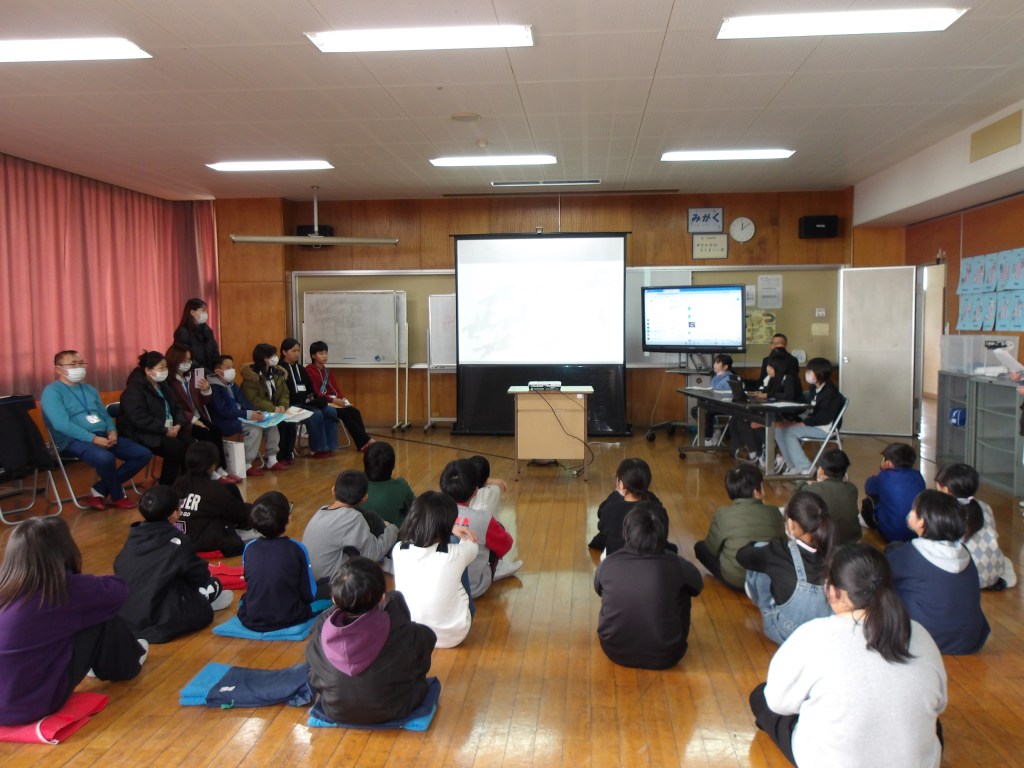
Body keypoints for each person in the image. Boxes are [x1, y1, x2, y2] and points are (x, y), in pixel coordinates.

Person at [750, 544, 947, 768]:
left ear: (834, 591)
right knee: (929, 721)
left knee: (760, 696)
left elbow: (778, 703)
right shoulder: (918, 633)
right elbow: (939, 704)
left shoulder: (814, 634)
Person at [0, 517, 146, 726]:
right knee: (102, 615)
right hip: (30, 705)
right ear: (64, 549)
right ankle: (126, 665)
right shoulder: (62, 589)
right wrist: (80, 580)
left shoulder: (6, 589)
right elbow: (120, 591)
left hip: (9, 698)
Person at [305, 557, 437, 726]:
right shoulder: (405, 633)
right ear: (382, 598)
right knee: (396, 600)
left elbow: (313, 676)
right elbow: (425, 651)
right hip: (396, 708)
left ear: (334, 600)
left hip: (336, 711)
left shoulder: (320, 632)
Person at [113, 485, 233, 643]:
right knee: (214, 584)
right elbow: (200, 576)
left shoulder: (134, 536)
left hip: (128, 617)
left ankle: (202, 598)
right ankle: (204, 599)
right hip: (161, 619)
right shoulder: (177, 541)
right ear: (174, 513)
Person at [594, 503, 704, 669]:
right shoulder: (677, 564)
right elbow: (697, 586)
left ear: (626, 533)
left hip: (614, 650)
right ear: (664, 534)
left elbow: (598, 589)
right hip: (667, 656)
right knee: (683, 589)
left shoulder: (608, 563)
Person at [41, 349, 151, 510]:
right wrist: (92, 439)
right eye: (73, 364)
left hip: (102, 435)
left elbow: (104, 415)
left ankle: (99, 490)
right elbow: (61, 424)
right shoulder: (52, 392)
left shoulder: (89, 389)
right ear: (58, 369)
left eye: (81, 363)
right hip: (72, 439)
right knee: (105, 458)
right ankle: (117, 496)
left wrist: (112, 431)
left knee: (142, 454)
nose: (78, 367)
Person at [886, 489, 990, 655]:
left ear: (921, 522)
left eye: (913, 511)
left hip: (925, 640)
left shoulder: (909, 554)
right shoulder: (964, 553)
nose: (910, 513)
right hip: (970, 640)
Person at [737, 492, 837, 644]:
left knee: (761, 551)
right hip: (821, 635)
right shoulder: (837, 554)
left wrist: (752, 545)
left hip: (786, 632)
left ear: (791, 524)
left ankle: (758, 597)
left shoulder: (778, 550)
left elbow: (742, 556)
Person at [391, 491, 479, 649]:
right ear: (447, 524)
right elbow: (472, 544)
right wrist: (453, 529)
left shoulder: (398, 549)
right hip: (453, 636)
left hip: (412, 633)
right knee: (456, 548)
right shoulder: (455, 554)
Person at [302, 470, 399, 592]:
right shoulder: (352, 518)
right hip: (331, 582)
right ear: (364, 498)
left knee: (367, 521)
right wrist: (393, 529)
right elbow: (372, 555)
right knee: (372, 524)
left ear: (333, 490)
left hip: (311, 577)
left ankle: (387, 560)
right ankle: (395, 558)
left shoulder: (322, 511)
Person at [693, 464, 785, 591]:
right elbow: (782, 544)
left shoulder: (723, 514)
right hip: (767, 579)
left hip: (736, 581)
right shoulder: (774, 512)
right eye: (762, 486)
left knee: (700, 547)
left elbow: (711, 549)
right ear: (756, 491)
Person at [237, 491, 317, 632]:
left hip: (253, 617)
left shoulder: (249, 548)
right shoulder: (297, 548)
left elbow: (252, 583)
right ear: (288, 519)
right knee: (327, 588)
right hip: (291, 616)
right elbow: (309, 594)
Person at [439, 459, 519, 598]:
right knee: (494, 532)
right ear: (476, 491)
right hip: (475, 587)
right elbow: (506, 545)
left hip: (441, 587)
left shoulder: (432, 513)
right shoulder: (484, 519)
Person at [117, 350, 194, 485]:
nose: (165, 371)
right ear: (148, 370)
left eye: (166, 367)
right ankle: (165, 487)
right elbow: (139, 419)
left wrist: (178, 425)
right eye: (161, 368)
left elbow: (177, 407)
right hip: (142, 433)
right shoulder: (134, 390)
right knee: (175, 448)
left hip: (166, 429)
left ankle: (186, 483)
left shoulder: (163, 386)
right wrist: (165, 430)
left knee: (189, 442)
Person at [935, 462, 1016, 590]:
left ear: (945, 490)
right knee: (1005, 561)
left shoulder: (942, 511)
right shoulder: (984, 507)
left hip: (960, 575)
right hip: (989, 573)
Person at [164, 342, 236, 483]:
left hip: (198, 415)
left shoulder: (193, 376)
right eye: (184, 360)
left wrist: (206, 390)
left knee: (215, 431)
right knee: (205, 434)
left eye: (189, 360)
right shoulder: (169, 381)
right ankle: (209, 471)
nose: (187, 363)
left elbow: (203, 401)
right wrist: (192, 419)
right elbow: (174, 407)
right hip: (183, 420)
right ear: (175, 359)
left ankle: (220, 468)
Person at [172, 442, 254, 556]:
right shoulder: (213, 489)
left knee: (230, 488)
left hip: (180, 540)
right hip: (204, 544)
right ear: (213, 466)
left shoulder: (177, 486)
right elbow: (240, 513)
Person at [206, 354, 280, 478]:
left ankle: (272, 459)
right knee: (254, 428)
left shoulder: (231, 384)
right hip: (224, 422)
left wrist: (256, 412)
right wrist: (249, 414)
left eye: (232, 367)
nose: (232, 370)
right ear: (217, 371)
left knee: (270, 422)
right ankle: (247, 464)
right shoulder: (213, 388)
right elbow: (224, 412)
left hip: (240, 416)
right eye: (228, 367)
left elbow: (244, 402)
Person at [773, 357, 845, 476]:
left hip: (824, 429)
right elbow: (808, 408)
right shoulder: (814, 388)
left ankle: (806, 467)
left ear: (821, 373)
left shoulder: (830, 393)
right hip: (813, 424)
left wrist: (797, 424)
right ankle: (793, 466)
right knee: (778, 430)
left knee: (789, 432)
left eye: (810, 371)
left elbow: (823, 419)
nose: (806, 374)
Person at [588, 457, 672, 557]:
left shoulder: (611, 507)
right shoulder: (656, 505)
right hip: (652, 558)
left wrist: (616, 495)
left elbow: (602, 524)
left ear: (621, 484)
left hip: (618, 560)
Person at [731, 348, 804, 462]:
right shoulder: (773, 379)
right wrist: (757, 393)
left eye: (770, 366)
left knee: (753, 421)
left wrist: (767, 395)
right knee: (739, 418)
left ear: (778, 367)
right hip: (772, 410)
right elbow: (767, 391)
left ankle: (767, 450)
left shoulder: (789, 378)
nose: (767, 369)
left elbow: (789, 396)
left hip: (786, 412)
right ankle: (755, 450)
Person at [305, 340, 375, 452]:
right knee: (344, 414)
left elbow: (336, 388)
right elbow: (315, 392)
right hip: (322, 402)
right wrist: (332, 400)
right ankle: (366, 440)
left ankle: (362, 443)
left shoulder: (327, 371)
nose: (324, 356)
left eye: (326, 353)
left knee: (355, 412)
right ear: (313, 355)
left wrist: (343, 398)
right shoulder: (309, 370)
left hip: (334, 401)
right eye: (321, 353)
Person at [277, 337, 340, 461]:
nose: (297, 354)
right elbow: (282, 393)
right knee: (316, 414)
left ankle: (329, 446)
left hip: (306, 402)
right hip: (291, 405)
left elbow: (310, 388)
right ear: (284, 352)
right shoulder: (279, 370)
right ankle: (317, 449)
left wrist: (314, 399)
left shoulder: (300, 369)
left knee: (330, 411)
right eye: (293, 351)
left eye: (298, 351)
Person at [860, 442, 926, 543]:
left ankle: (867, 524)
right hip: (916, 532)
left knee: (869, 501)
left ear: (888, 462)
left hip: (892, 536)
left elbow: (868, 488)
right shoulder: (918, 476)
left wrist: (881, 471)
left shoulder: (884, 477)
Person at [239, 343, 290, 471]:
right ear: (264, 358)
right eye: (271, 356)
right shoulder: (251, 377)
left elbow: (284, 393)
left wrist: (282, 406)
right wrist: (273, 408)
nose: (275, 358)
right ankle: (247, 464)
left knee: (273, 426)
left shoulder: (277, 373)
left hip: (271, 412)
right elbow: (254, 399)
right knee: (256, 430)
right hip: (254, 413)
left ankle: (272, 459)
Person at [796, 448, 861, 544]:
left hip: (825, 541)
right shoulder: (852, 489)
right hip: (853, 539)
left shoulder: (813, 489)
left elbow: (796, 502)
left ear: (821, 470)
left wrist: (805, 484)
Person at [468, 454, 520, 562]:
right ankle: (496, 563)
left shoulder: (464, 493)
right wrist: (490, 480)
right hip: (489, 540)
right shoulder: (494, 490)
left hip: (468, 541)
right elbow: (491, 484)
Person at [361, 441, 416, 526]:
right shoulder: (401, 486)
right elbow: (417, 508)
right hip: (395, 533)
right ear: (393, 466)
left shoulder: (352, 487)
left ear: (365, 463)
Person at [172, 298, 219, 370]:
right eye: (203, 310)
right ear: (192, 312)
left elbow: (215, 351)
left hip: (210, 371)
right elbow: (185, 357)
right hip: (193, 372)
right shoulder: (183, 332)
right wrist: (205, 371)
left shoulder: (207, 331)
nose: (206, 313)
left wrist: (217, 367)